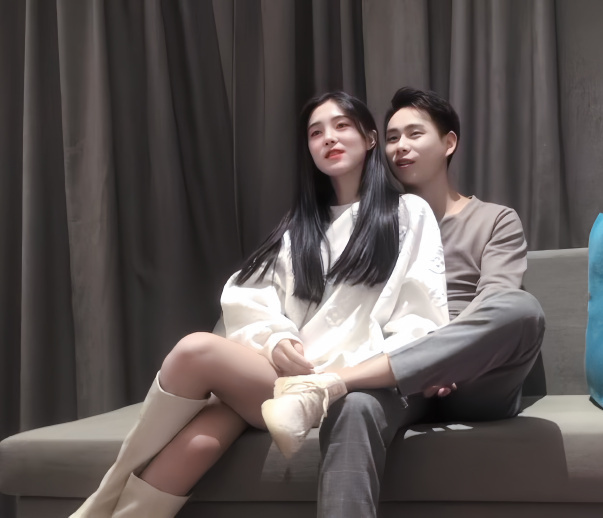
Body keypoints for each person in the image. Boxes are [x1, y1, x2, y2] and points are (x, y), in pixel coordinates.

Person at [70, 91, 448, 518]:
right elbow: (249, 297)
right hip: (280, 379)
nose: (328, 138)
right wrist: (276, 339)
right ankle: (107, 503)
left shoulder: (407, 213)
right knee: (199, 442)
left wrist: (363, 372)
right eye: (315, 132)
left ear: (370, 137)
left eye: (342, 125)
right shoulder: (299, 228)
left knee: (197, 351)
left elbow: (420, 310)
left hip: (344, 384)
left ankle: (101, 498)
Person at [263, 87, 546, 517]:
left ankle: (332, 381)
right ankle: (339, 385)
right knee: (354, 406)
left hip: (474, 377)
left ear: (448, 143)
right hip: (395, 374)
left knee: (522, 310)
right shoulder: (376, 222)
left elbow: (497, 297)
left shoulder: (494, 219)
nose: (400, 147)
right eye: (393, 137)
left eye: (414, 134)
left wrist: (443, 357)